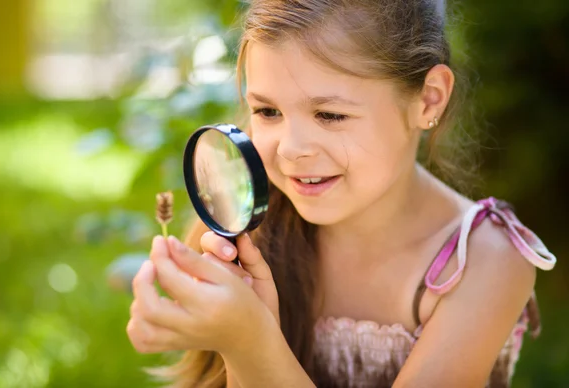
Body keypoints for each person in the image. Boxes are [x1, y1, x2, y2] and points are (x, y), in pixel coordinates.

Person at [126, 0, 557, 387]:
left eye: (329, 114)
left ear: (428, 99)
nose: (292, 150)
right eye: (267, 111)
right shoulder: (251, 229)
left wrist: (249, 343)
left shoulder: (485, 261)